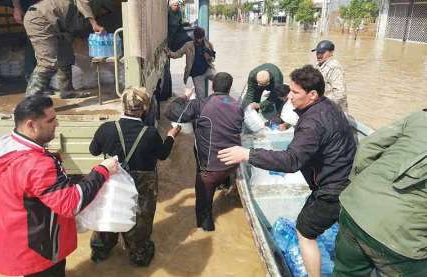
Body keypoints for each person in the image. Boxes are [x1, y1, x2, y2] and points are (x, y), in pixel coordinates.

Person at [218, 65, 356, 276]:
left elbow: (291, 161)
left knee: (304, 231)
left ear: (312, 94)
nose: (290, 97)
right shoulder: (329, 107)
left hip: (332, 188)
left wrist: (248, 154)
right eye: (290, 90)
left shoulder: (312, 122)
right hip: (348, 180)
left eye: (295, 92)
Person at [0, 95, 118, 276]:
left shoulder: (6, 146)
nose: (57, 124)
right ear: (31, 125)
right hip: (37, 252)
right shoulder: (36, 164)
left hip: (13, 239)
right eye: (51, 120)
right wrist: (102, 171)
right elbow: (71, 204)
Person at [89, 87, 181, 266]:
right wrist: (171, 136)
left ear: (122, 106)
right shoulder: (150, 133)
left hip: (112, 180)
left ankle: (101, 250)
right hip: (141, 184)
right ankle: (138, 254)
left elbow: (94, 151)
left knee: (108, 211)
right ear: (144, 108)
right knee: (140, 218)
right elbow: (162, 155)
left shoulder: (106, 128)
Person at [333, 110, 427, 276]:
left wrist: (361, 190)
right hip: (399, 236)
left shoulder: (420, 117)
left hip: (355, 206)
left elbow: (368, 147)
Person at [166, 72, 244, 231]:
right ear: (229, 88)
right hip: (232, 164)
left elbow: (172, 112)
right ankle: (224, 185)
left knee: (204, 208)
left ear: (213, 86)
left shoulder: (202, 104)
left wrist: (184, 97)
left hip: (210, 169)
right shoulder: (238, 106)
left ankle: (206, 228)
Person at [23, 0, 105, 98]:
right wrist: (94, 23)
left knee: (66, 57)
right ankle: (31, 99)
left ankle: (67, 91)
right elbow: (83, 2)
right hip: (40, 18)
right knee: (47, 62)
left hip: (60, 25)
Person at [167, 26, 216, 99]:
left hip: (208, 69)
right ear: (194, 36)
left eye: (200, 38)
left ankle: (218, 100)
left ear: (203, 37)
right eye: (197, 38)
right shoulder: (188, 45)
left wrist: (209, 58)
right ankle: (201, 108)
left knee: (219, 80)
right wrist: (169, 53)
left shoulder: (208, 44)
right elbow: (178, 54)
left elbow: (213, 58)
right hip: (196, 75)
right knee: (200, 96)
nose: (199, 40)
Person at [312, 40, 348, 113]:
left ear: (331, 52)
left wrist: (321, 104)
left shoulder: (334, 68)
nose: (319, 55)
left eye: (322, 53)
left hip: (332, 111)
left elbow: (340, 94)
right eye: (317, 52)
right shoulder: (319, 65)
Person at [12, 0, 38, 82]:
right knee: (33, 39)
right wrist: (17, 8)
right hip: (31, 5)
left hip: (47, 6)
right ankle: (31, 76)